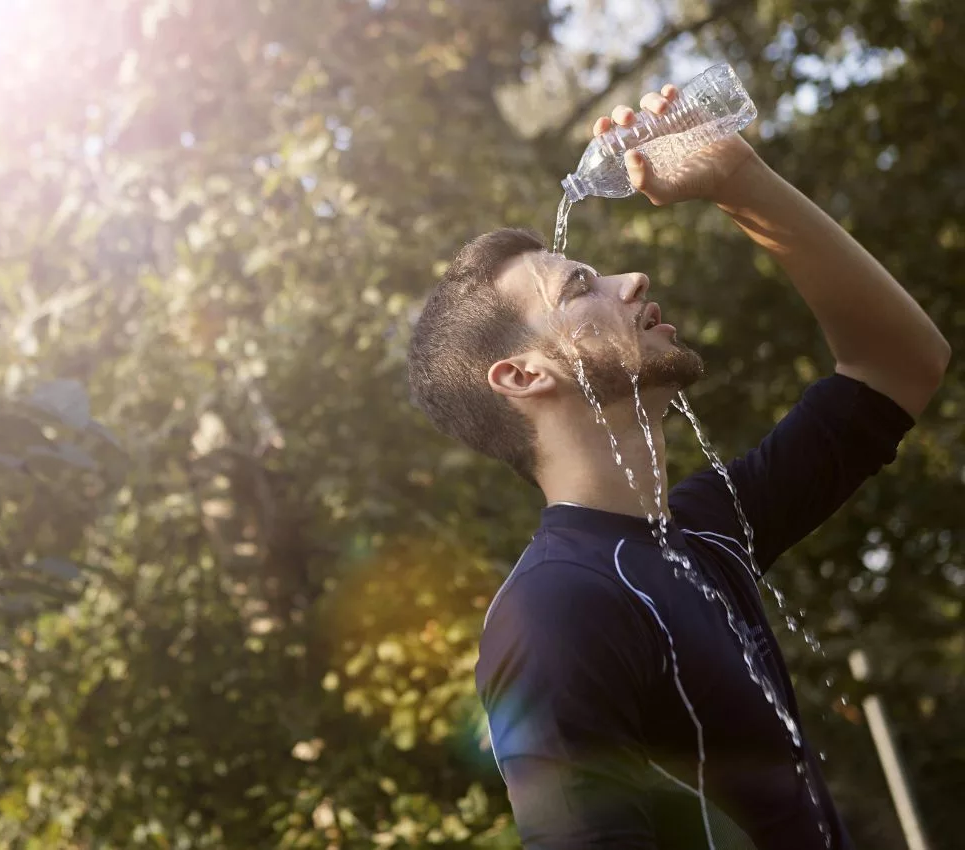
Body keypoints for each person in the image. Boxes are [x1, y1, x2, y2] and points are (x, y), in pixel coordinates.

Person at [405, 82, 951, 849]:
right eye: (581, 287)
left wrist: (738, 179)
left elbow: (902, 364)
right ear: (525, 376)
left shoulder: (709, 528)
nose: (634, 281)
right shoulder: (554, 611)